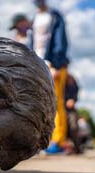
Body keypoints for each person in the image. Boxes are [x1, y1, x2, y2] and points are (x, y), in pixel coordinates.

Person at [30, 0, 69, 153]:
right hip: (37, 62)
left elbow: (60, 41)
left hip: (53, 63)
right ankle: (40, 140)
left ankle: (58, 141)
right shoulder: (35, 18)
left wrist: (57, 64)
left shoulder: (54, 16)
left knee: (56, 102)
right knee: (39, 103)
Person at [64, 74, 81, 153]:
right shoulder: (60, 84)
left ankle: (76, 147)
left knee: (73, 127)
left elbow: (75, 96)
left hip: (70, 110)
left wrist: (73, 100)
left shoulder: (73, 85)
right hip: (60, 109)